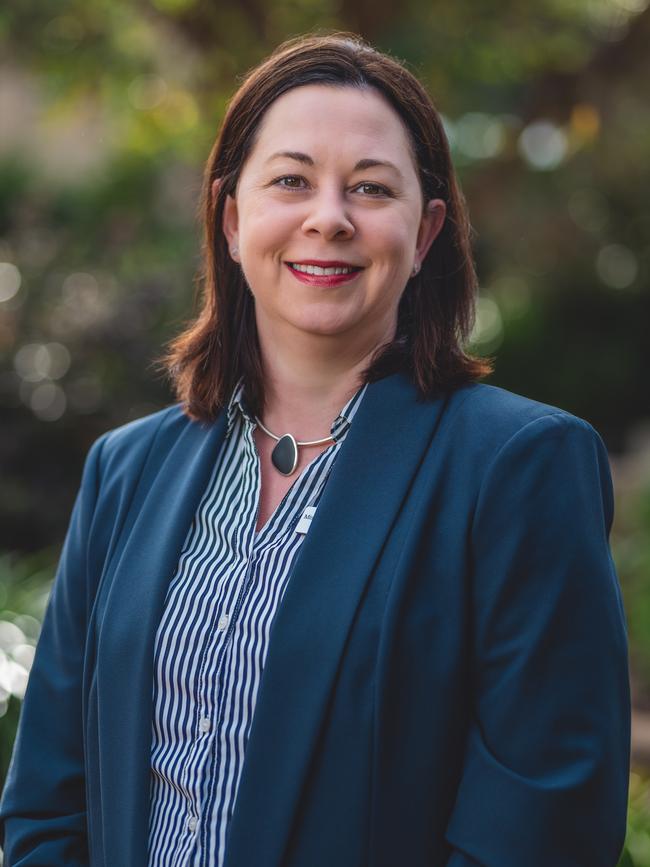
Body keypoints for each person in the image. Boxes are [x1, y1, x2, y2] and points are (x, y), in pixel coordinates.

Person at [0, 32, 630, 867]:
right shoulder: (126, 471)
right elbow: (48, 802)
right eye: (291, 180)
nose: (327, 217)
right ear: (232, 220)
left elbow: (543, 830)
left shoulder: (518, 466)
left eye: (370, 189)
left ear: (426, 231)